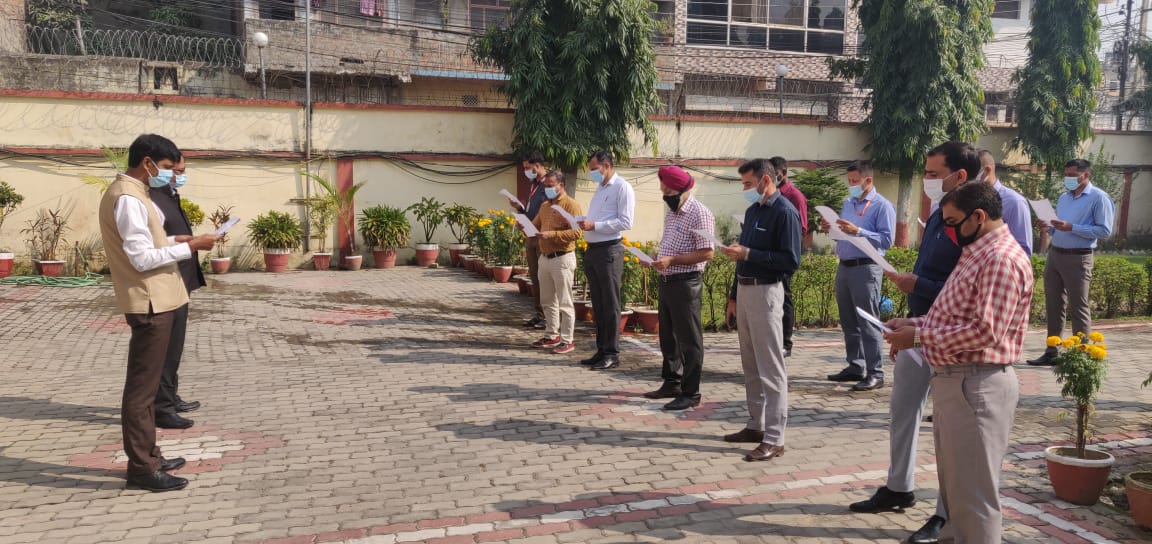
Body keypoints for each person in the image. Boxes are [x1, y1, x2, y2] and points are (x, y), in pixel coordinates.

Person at [884, 181, 1033, 544]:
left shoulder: (999, 258)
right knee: (955, 491)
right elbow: (956, 318)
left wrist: (919, 338)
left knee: (974, 499)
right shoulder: (977, 252)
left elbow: (986, 332)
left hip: (977, 384)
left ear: (978, 217)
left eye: (952, 222)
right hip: (957, 381)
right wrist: (914, 324)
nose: (947, 231)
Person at [851, 141, 979, 544]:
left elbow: (967, 290)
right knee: (903, 412)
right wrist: (908, 323)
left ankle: (946, 513)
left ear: (960, 176)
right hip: (918, 329)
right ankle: (898, 487)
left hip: (949, 338)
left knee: (947, 431)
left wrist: (917, 284)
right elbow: (932, 273)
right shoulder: (942, 216)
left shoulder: (972, 223)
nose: (926, 181)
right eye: (925, 173)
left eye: (933, 174)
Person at [98, 134, 217, 492]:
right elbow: (141, 258)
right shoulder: (128, 198)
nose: (169, 175)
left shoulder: (134, 193)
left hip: (158, 298)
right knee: (142, 391)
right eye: (166, 168)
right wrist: (192, 246)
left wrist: (178, 242)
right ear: (147, 162)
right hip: (149, 301)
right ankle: (142, 468)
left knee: (146, 390)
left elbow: (150, 244)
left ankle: (149, 455)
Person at [721, 159, 801, 462]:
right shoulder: (754, 210)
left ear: (766, 180)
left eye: (747, 184)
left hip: (767, 291)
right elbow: (743, 257)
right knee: (750, 364)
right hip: (745, 290)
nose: (745, 190)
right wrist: (732, 296)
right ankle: (755, 425)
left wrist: (749, 253)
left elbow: (791, 261)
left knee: (771, 368)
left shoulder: (785, 213)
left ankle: (775, 437)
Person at [641, 166, 715, 411]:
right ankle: (672, 382)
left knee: (689, 339)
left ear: (683, 189)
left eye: (669, 190)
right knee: (668, 337)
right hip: (667, 280)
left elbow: (707, 252)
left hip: (686, 282)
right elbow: (669, 247)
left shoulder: (700, 213)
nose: (665, 194)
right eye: (663, 190)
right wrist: (654, 258)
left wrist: (671, 261)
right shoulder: (671, 214)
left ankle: (691, 392)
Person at [1027, 158, 1115, 366]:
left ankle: (1081, 354)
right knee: (1054, 304)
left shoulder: (1099, 198)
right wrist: (1049, 226)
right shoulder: (1064, 197)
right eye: (1066, 175)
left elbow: (1105, 231)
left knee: (1078, 306)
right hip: (1056, 254)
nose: (1068, 179)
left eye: (1073, 176)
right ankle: (1052, 351)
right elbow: (1060, 227)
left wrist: (1072, 227)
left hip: (1079, 256)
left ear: (1086, 175)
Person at [822, 160, 895, 391]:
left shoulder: (882, 206)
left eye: (855, 181)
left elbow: (887, 240)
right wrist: (832, 229)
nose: (851, 185)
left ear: (868, 180)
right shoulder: (848, 203)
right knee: (848, 320)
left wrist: (859, 231)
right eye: (849, 180)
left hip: (866, 268)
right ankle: (856, 365)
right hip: (844, 265)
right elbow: (842, 234)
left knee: (867, 321)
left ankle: (876, 372)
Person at [148, 156, 205, 431]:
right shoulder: (149, 197)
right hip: (166, 279)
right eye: (172, 169)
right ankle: (162, 407)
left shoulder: (169, 194)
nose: (177, 175)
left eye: (181, 170)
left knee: (176, 345)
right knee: (167, 347)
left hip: (180, 276)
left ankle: (169, 396)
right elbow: (147, 250)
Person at [577, 150, 636, 371]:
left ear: (607, 165)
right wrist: (585, 222)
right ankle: (601, 349)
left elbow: (626, 221)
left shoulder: (622, 188)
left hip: (609, 250)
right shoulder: (600, 189)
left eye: (595, 169)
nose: (592, 173)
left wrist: (596, 226)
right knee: (599, 303)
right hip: (593, 250)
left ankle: (612, 353)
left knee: (610, 304)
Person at [529, 171, 584, 354]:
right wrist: (525, 225)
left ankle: (567, 339)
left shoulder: (571, 205)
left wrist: (551, 235)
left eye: (551, 185)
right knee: (547, 299)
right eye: (546, 186)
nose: (548, 189)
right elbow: (535, 225)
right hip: (545, 257)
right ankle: (551, 334)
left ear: (561, 185)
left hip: (562, 257)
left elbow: (577, 233)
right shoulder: (545, 206)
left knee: (564, 301)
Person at [767, 156, 808, 357]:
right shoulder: (767, 195)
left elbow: (801, 227)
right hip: (767, 254)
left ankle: (786, 342)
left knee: (785, 297)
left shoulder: (794, 196)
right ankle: (773, 339)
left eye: (776, 174)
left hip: (784, 254)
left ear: (784, 173)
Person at [509, 151, 550, 330]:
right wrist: (520, 211)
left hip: (543, 237)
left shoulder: (550, 184)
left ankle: (549, 317)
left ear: (538, 165)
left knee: (544, 277)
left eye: (528, 168)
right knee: (535, 276)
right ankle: (539, 314)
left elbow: (551, 211)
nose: (526, 171)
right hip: (531, 235)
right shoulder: (533, 184)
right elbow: (531, 211)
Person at [976, 149, 1033, 255]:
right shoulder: (972, 198)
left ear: (987, 170)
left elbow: (1023, 249)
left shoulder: (1014, 202)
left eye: (972, 174)